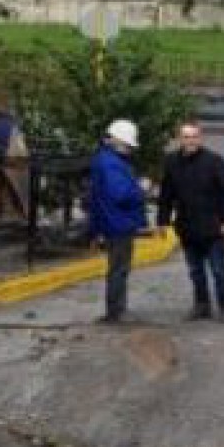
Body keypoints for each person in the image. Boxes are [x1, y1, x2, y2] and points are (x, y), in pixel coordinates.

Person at [158, 121, 224, 322]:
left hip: (213, 227)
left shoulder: (214, 161)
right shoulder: (172, 162)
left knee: (219, 270)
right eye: (186, 137)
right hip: (187, 227)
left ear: (200, 138)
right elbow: (166, 194)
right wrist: (163, 220)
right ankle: (201, 305)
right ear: (180, 139)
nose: (190, 141)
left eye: (194, 136)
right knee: (195, 271)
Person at [87, 119, 147, 325]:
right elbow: (121, 194)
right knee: (119, 269)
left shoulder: (105, 160)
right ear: (118, 140)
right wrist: (141, 189)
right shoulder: (110, 163)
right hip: (118, 223)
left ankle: (116, 310)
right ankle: (117, 311)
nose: (130, 148)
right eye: (128, 144)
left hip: (112, 222)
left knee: (118, 268)